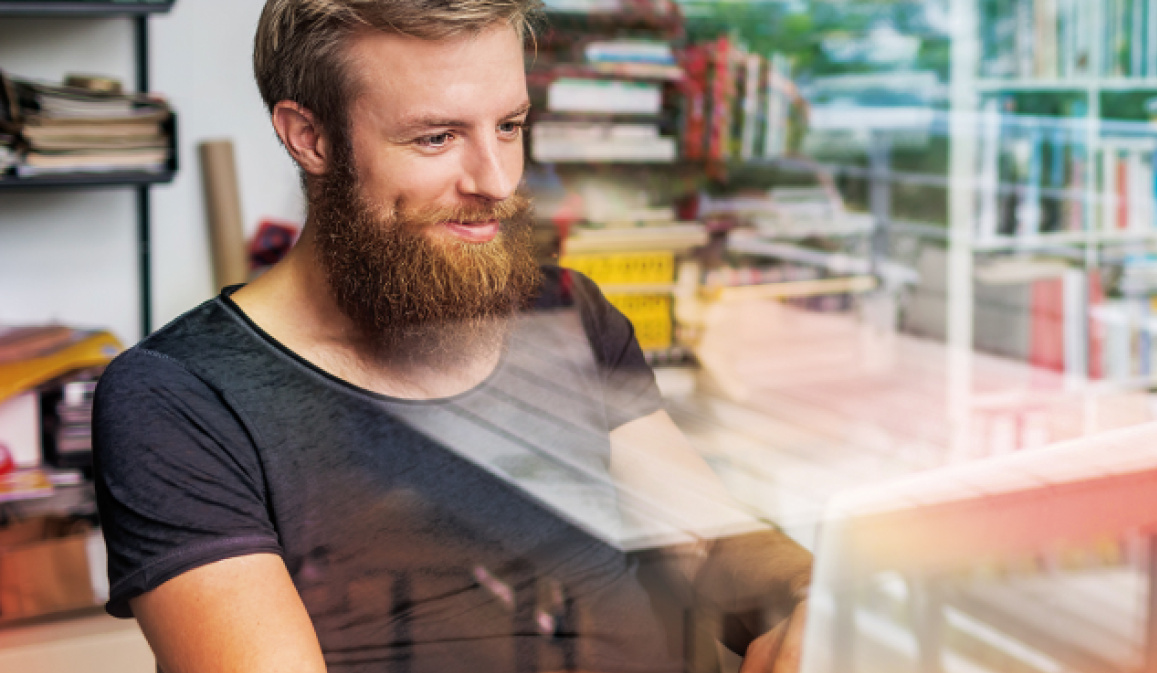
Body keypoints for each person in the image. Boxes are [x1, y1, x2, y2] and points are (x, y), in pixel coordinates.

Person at [91, 1, 809, 671]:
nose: (496, 180)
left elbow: (713, 542)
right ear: (309, 137)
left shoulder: (559, 309)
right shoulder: (180, 399)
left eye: (509, 126)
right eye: (436, 137)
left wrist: (808, 601)